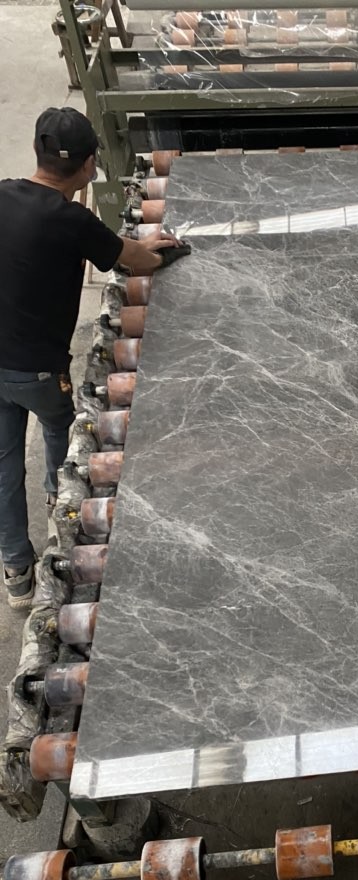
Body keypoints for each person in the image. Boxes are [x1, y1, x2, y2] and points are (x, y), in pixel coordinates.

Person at [0, 107, 179, 608]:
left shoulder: (3, 193)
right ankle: (62, 510)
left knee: (4, 462)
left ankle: (16, 571)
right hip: (38, 369)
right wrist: (161, 250)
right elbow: (135, 259)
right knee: (64, 433)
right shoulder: (72, 220)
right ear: (87, 165)